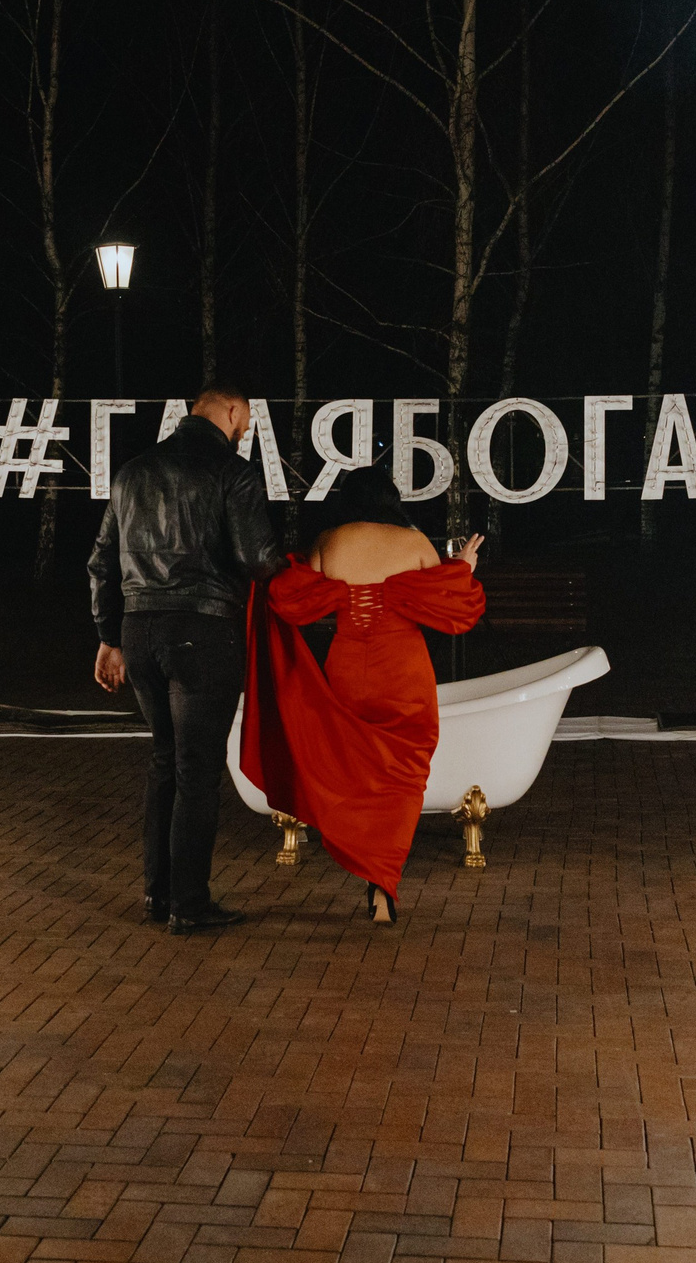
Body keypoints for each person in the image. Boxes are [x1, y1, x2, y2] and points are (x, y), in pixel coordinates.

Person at [241, 465, 484, 924]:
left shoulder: (329, 541)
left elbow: (293, 601)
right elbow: (453, 603)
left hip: (348, 668)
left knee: (351, 767)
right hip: (404, 672)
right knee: (403, 776)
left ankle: (365, 861)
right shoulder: (413, 542)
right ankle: (382, 883)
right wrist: (463, 569)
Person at [88, 388, 282, 934]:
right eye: (244, 421)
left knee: (164, 761)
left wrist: (109, 635)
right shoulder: (232, 471)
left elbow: (101, 560)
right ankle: (189, 904)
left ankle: (157, 895)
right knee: (198, 770)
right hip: (203, 629)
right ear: (234, 414)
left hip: (139, 629)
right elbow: (257, 558)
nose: (243, 430)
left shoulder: (132, 472)